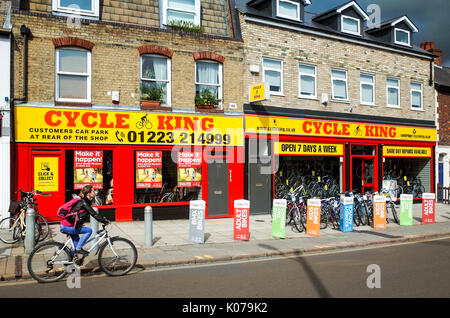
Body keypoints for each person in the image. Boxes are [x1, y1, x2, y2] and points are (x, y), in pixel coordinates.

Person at [60, 185, 109, 256]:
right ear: (88, 193)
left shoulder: (86, 201)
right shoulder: (84, 202)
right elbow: (93, 213)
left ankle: (69, 261)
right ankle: (79, 249)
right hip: (68, 226)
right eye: (92, 191)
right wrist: (104, 221)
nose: (94, 192)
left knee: (75, 245)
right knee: (89, 230)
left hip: (69, 224)